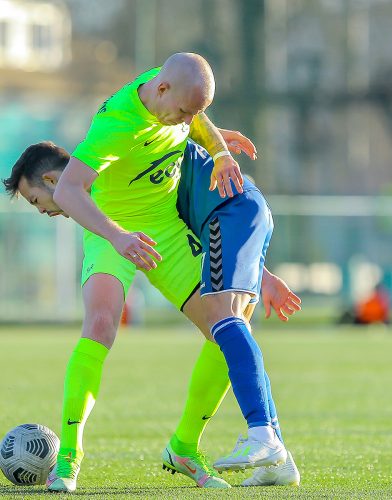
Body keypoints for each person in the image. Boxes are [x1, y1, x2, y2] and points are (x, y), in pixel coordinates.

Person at [2, 53, 300, 491]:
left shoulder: (166, 95)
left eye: (34, 200)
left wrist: (261, 271)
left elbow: (194, 115)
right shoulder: (113, 128)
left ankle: (184, 445)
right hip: (110, 237)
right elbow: (72, 191)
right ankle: (68, 460)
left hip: (166, 236)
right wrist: (120, 237)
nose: (43, 211)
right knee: (100, 325)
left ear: (45, 180)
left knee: (228, 329)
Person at [175, 139, 301, 485]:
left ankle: (261, 434)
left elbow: (193, 115)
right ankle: (278, 463)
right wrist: (263, 274)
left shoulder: (141, 135)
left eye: (36, 199)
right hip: (247, 208)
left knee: (223, 317)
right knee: (236, 325)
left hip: (227, 211)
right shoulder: (161, 133)